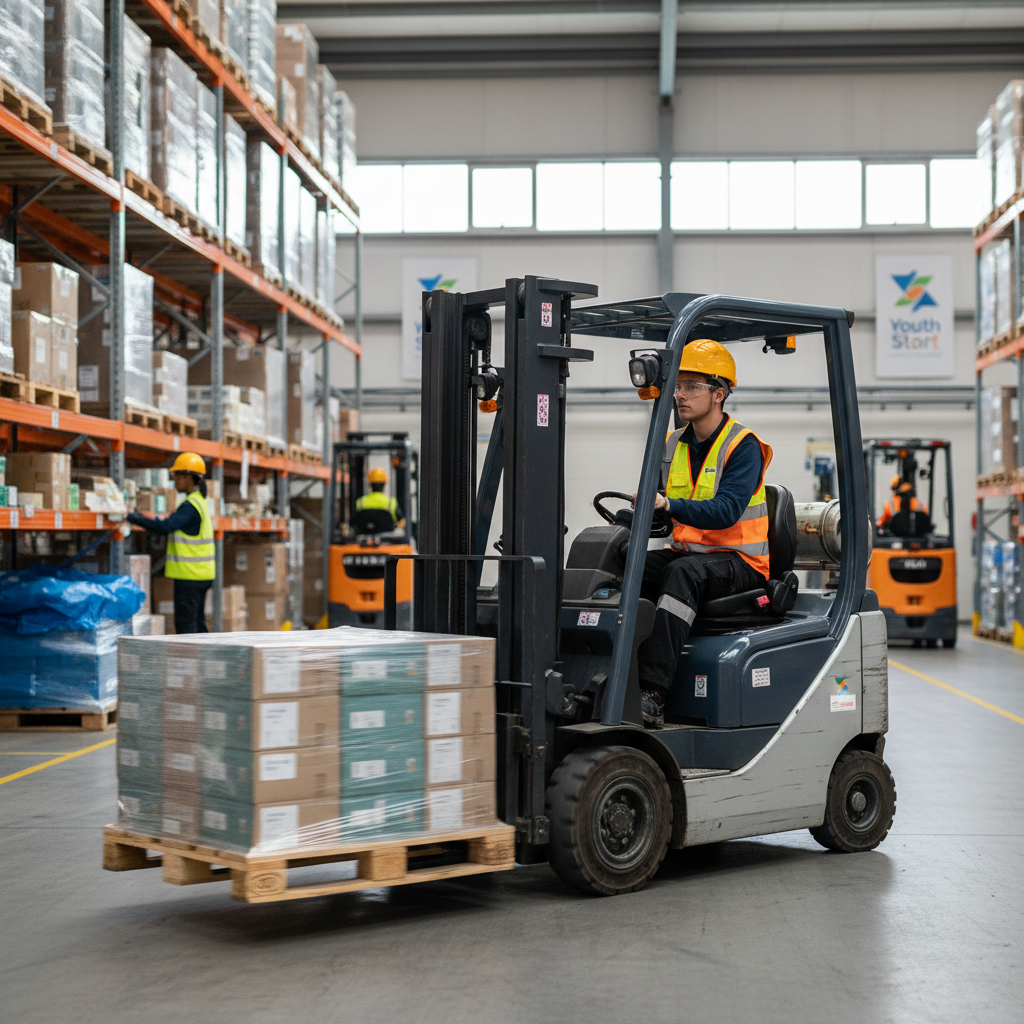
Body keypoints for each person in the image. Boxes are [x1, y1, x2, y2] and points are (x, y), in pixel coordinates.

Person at [633, 340, 773, 729]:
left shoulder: (743, 446)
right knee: (626, 560)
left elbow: (726, 510)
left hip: (741, 562)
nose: (680, 395)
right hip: (692, 554)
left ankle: (652, 692)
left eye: (691, 386)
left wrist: (669, 506)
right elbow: (663, 509)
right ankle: (613, 668)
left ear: (719, 393)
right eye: (678, 386)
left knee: (682, 574)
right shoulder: (672, 444)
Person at [127, 452, 215, 634]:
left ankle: (189, 661)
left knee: (186, 625)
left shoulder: (190, 506)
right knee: (197, 623)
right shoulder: (198, 502)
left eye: (177, 476)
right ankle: (203, 660)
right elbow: (172, 521)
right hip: (200, 575)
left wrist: (132, 517)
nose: (174, 481)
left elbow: (166, 526)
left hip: (190, 576)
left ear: (189, 478)